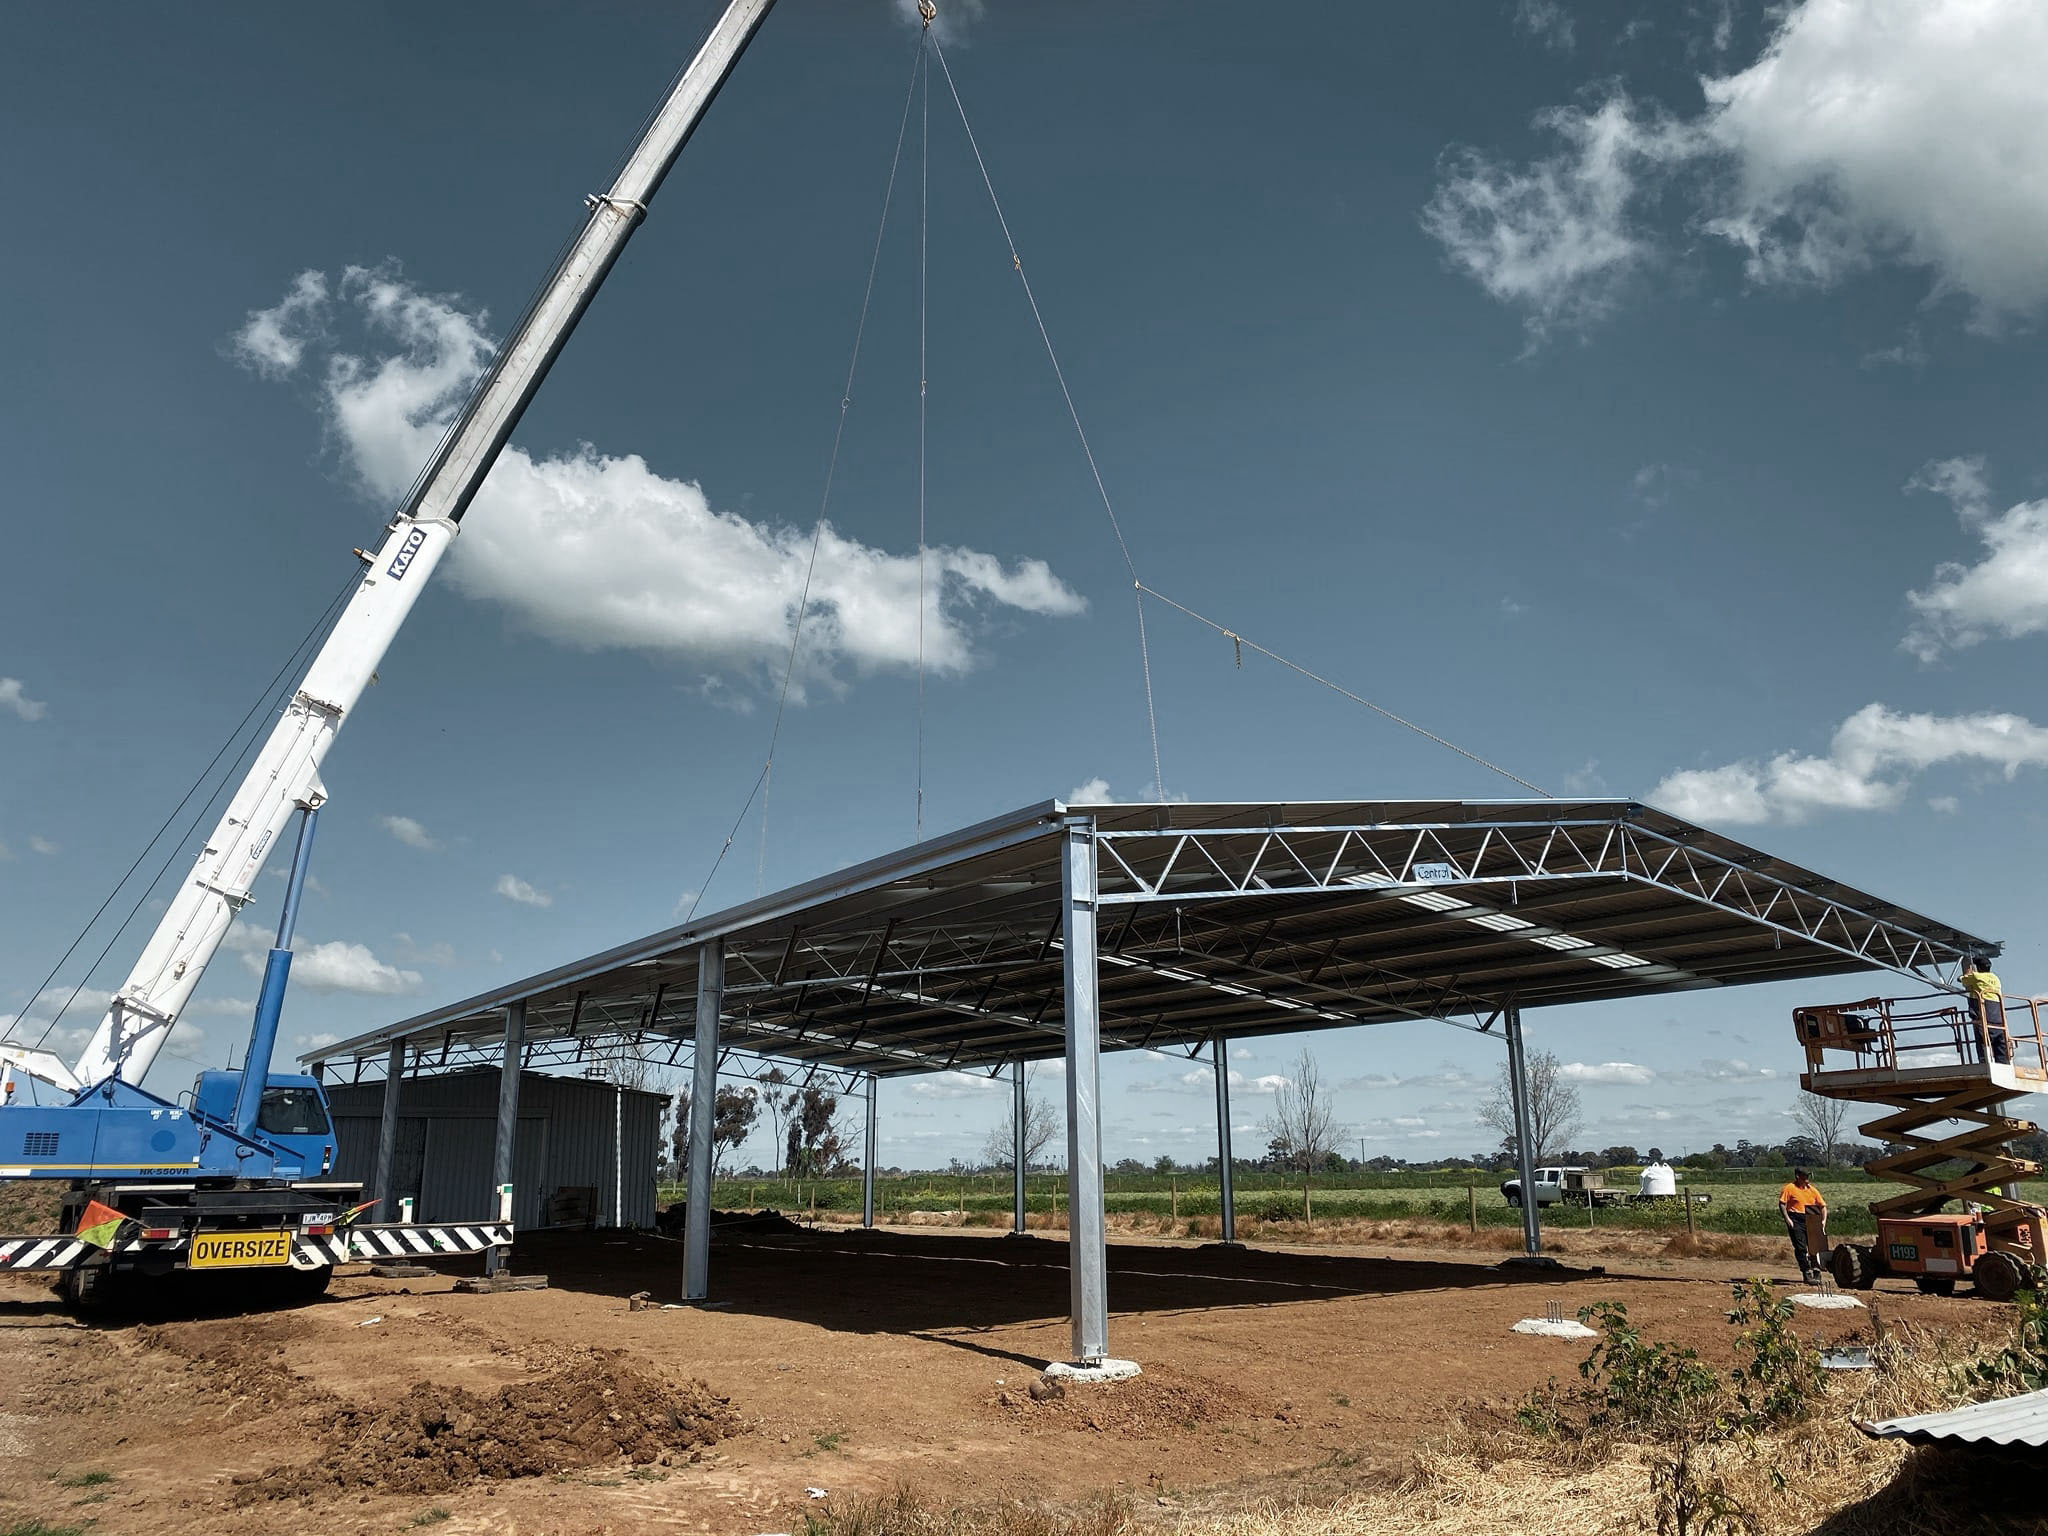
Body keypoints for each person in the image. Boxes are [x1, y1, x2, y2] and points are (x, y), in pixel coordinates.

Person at [1779, 1169, 1827, 1282]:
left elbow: (1823, 1206)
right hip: (1796, 1218)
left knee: (1815, 1247)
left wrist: (1823, 1221)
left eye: (1808, 1176)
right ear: (1797, 1176)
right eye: (1805, 1176)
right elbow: (1782, 1204)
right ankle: (1806, 1271)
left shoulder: (1813, 1190)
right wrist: (1788, 1219)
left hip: (1812, 1218)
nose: (1807, 1178)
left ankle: (1816, 1270)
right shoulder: (1789, 1188)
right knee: (1801, 1247)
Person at [1962, 956, 2009, 1065]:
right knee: (2000, 1043)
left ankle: (1984, 1063)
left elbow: (1963, 981)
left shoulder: (1975, 976)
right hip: (1998, 1014)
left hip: (1983, 1012)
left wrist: (1967, 973)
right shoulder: (1995, 978)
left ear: (1977, 967)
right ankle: (2004, 1064)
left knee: (1983, 1042)